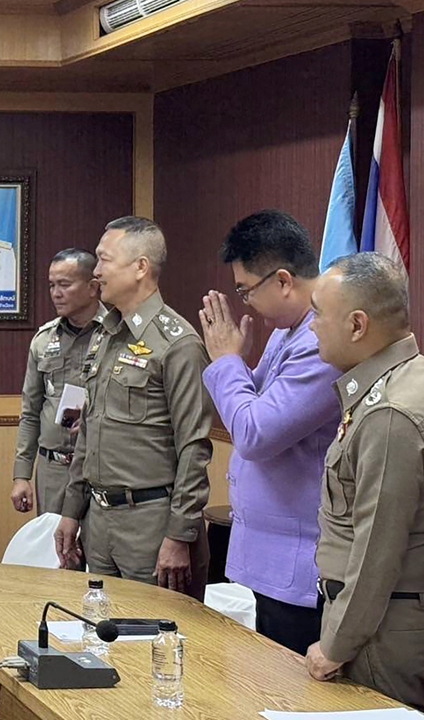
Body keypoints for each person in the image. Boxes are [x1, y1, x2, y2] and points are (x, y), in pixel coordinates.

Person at [198, 211, 341, 655]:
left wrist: (225, 360)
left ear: (283, 280)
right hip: (263, 556)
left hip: (297, 568)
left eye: (246, 289)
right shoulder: (287, 331)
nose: (244, 303)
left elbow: (255, 432)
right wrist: (236, 362)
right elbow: (255, 406)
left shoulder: (322, 340)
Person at [55, 216, 212, 600]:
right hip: (99, 520)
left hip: (151, 523)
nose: (97, 271)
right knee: (103, 641)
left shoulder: (177, 343)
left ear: (141, 267)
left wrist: (179, 534)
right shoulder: (105, 336)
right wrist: (71, 510)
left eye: (105, 260)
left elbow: (194, 446)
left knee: (153, 642)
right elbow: (89, 430)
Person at [304, 253, 424, 709]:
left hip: (381, 632)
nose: (311, 324)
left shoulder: (390, 412)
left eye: (318, 312)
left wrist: (335, 645)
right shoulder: (394, 386)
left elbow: (377, 552)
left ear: (357, 325)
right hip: (379, 619)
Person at [12, 249, 105, 516]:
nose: (56, 293)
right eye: (52, 285)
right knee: (53, 553)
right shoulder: (43, 340)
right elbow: (30, 412)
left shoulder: (116, 335)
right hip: (54, 469)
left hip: (99, 468)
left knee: (96, 553)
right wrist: (21, 475)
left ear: (92, 287)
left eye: (64, 284)